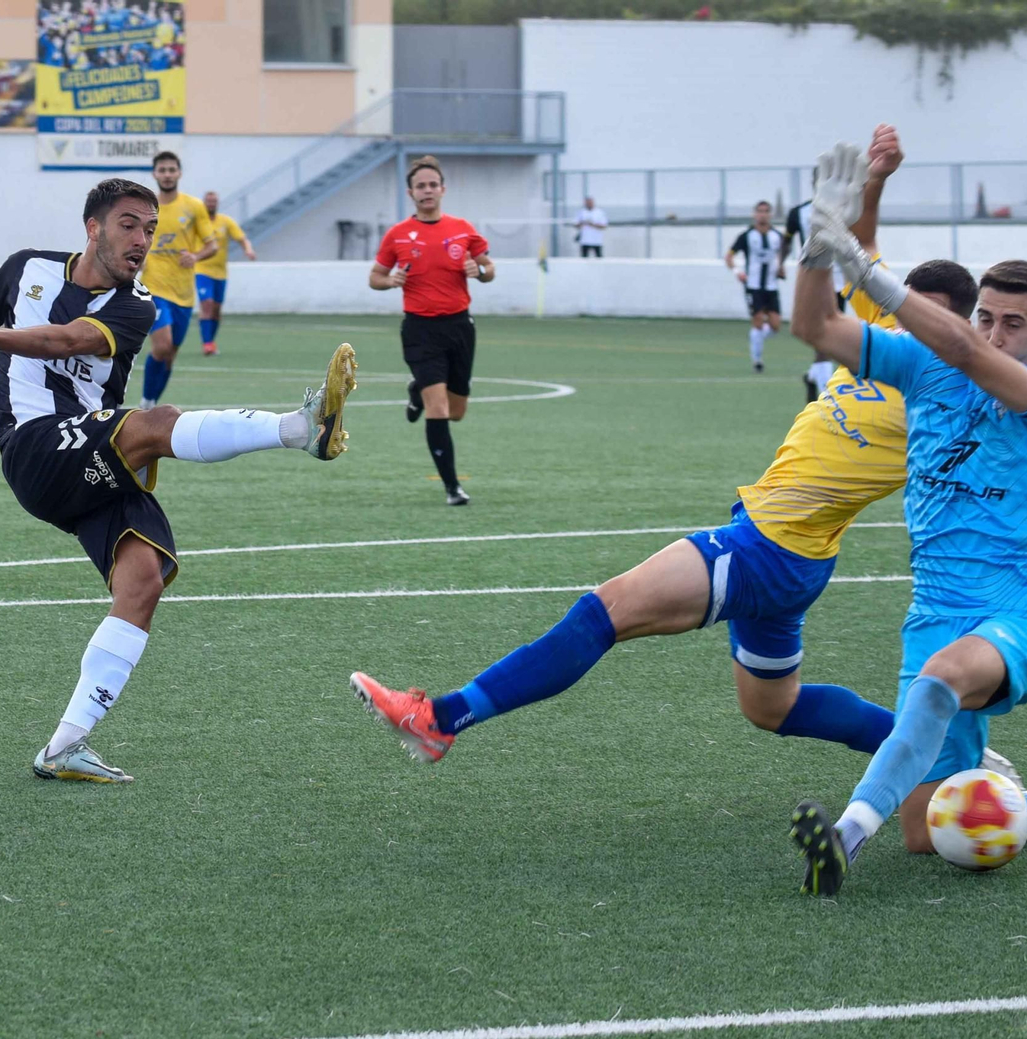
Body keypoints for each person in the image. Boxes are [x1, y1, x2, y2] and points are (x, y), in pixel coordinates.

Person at [347, 132, 980, 776]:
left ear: (957, 329)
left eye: (928, 318)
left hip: (774, 547)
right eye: (905, 311)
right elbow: (865, 248)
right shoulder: (893, 332)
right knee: (774, 707)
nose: (907, 324)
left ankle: (440, 720)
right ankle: (942, 753)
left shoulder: (951, 391)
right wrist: (875, 181)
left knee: (605, 611)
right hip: (791, 550)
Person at [0, 178, 358, 784]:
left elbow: (66, 340)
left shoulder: (136, 305)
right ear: (93, 228)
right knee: (155, 423)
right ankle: (300, 430)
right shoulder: (28, 270)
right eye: (129, 224)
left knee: (142, 581)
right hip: (35, 446)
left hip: (93, 457)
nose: (143, 239)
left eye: (150, 228)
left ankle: (64, 746)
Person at [786, 141, 1027, 898]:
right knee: (929, 831)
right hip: (933, 611)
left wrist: (867, 270)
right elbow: (815, 328)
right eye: (986, 316)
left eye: (1015, 322)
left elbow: (974, 358)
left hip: (1019, 616)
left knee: (944, 678)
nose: (996, 331)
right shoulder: (922, 365)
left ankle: (843, 837)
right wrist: (818, 247)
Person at [369, 155, 495, 507]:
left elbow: (489, 268)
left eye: (432, 185)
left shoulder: (463, 229)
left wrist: (480, 271)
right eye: (420, 186)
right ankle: (452, 487)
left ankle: (415, 390)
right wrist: (390, 280)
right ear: (411, 193)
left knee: (456, 411)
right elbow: (374, 277)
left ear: (442, 189)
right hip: (420, 329)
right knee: (438, 408)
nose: (427, 191)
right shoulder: (397, 235)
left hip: (459, 327)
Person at [137, 151, 216, 409]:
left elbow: (211, 245)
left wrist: (195, 256)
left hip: (182, 292)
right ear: (154, 174)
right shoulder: (145, 207)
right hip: (153, 287)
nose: (167, 175)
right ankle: (145, 405)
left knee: (170, 355)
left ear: (179, 173)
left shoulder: (193, 207)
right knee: (162, 345)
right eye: (162, 170)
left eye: (172, 170)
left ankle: (151, 405)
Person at [193, 191, 255, 357]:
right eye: (208, 201)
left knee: (216, 309)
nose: (211, 204)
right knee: (206, 304)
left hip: (220, 273)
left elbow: (242, 238)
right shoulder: (199, 222)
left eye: (214, 201)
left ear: (217, 203)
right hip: (202, 270)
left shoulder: (225, 221)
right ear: (204, 203)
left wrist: (248, 250)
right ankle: (206, 344)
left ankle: (211, 341)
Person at [726, 201, 784, 372]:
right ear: (754, 214)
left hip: (771, 286)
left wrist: (780, 269)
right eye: (759, 211)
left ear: (770, 214)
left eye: (766, 211)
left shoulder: (777, 237)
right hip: (753, 286)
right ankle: (757, 360)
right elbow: (729, 257)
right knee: (758, 320)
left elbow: (780, 257)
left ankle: (754, 337)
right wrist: (737, 272)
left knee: (775, 326)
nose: (762, 215)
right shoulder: (746, 236)